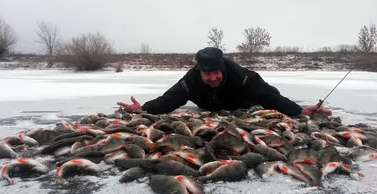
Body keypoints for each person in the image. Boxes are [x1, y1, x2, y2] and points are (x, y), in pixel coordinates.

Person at [117, 47, 332, 118]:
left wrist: (299, 111)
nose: (212, 78)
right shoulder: (191, 80)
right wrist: (143, 109)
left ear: (223, 68)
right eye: (206, 74)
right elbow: (169, 100)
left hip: (241, 106)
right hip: (209, 109)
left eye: (216, 72)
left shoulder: (243, 76)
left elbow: (270, 97)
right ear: (199, 71)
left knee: (266, 93)